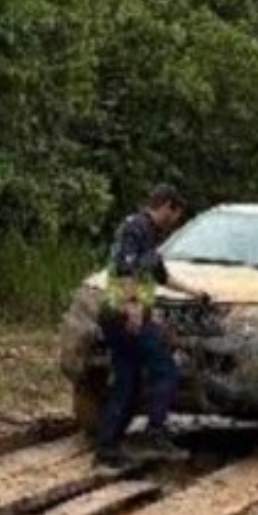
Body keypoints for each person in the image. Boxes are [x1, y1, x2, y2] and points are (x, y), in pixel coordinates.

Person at [95, 184, 210, 468]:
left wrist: (193, 292)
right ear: (167, 206)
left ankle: (108, 448)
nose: (175, 224)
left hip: (120, 315)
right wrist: (134, 308)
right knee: (166, 369)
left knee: (128, 382)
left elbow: (160, 275)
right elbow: (125, 268)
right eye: (176, 216)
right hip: (123, 314)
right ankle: (155, 434)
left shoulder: (151, 236)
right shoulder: (136, 228)